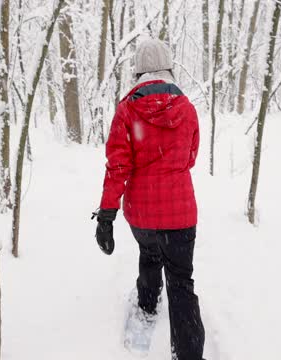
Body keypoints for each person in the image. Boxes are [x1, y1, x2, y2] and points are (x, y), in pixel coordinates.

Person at [93, 38, 205, 360]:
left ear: (138, 72)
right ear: (168, 67)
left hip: (141, 214)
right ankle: (188, 354)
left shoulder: (127, 110)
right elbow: (191, 157)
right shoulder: (187, 109)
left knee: (150, 255)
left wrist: (106, 216)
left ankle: (146, 305)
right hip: (181, 215)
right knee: (182, 282)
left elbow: (117, 167)